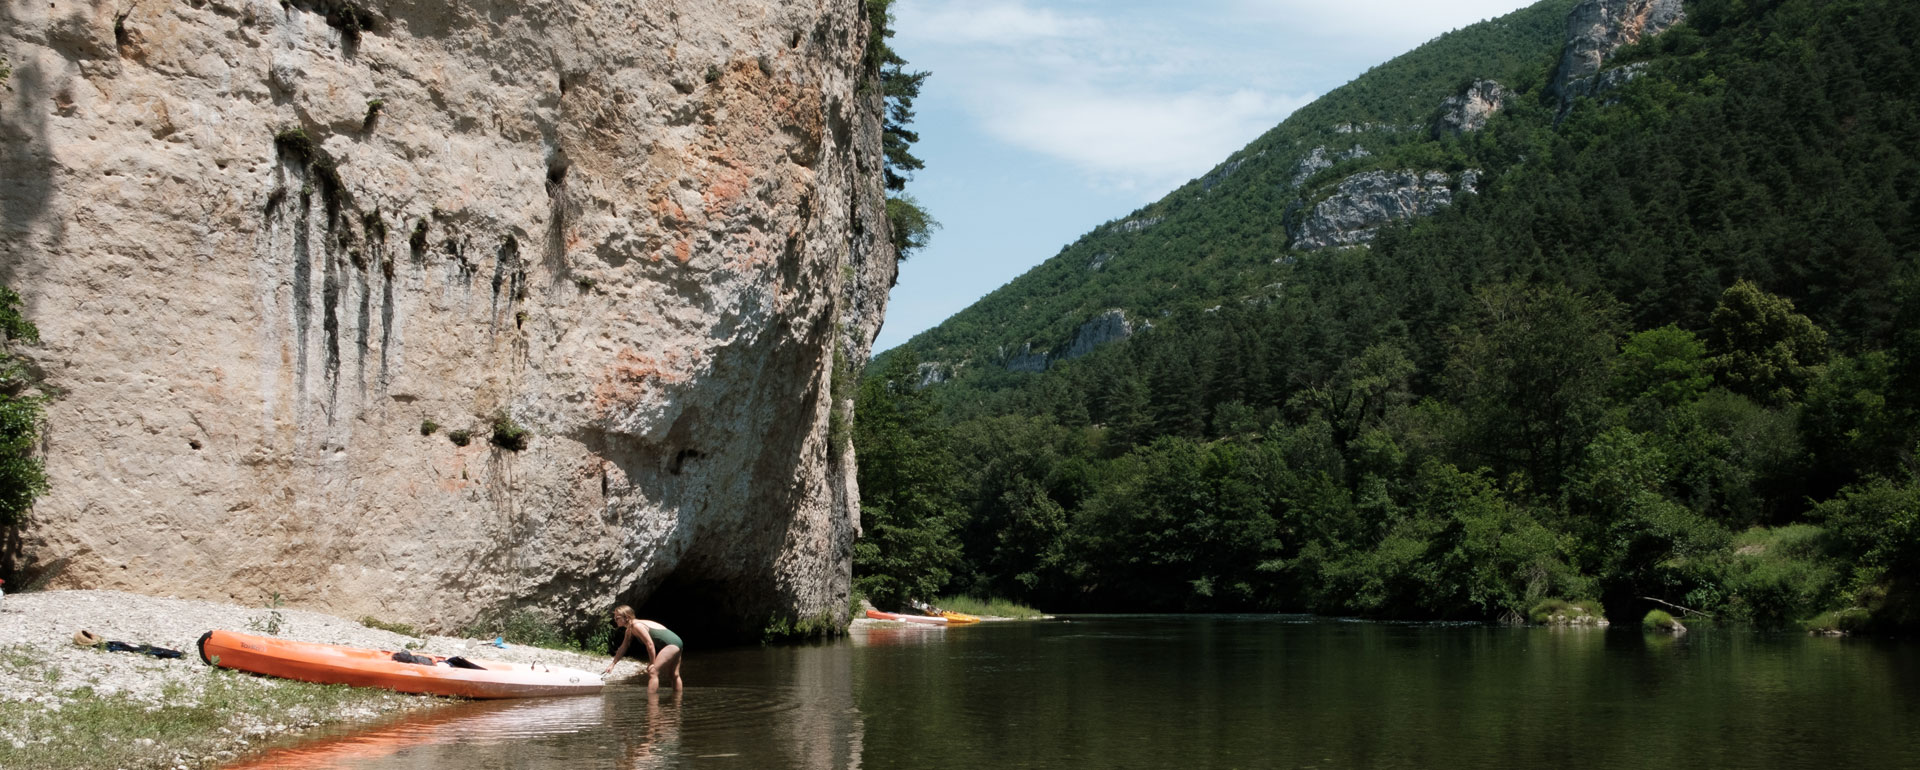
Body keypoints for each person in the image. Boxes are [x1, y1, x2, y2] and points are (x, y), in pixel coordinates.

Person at [605, 605, 683, 692]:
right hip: (677, 642)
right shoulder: (630, 629)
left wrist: (652, 662)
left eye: (617, 618)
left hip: (671, 644)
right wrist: (613, 664)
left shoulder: (636, 625)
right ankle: (677, 703)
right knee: (674, 674)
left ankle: (652, 704)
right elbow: (623, 647)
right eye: (615, 618)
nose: (615, 620)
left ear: (626, 617)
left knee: (653, 672)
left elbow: (649, 644)